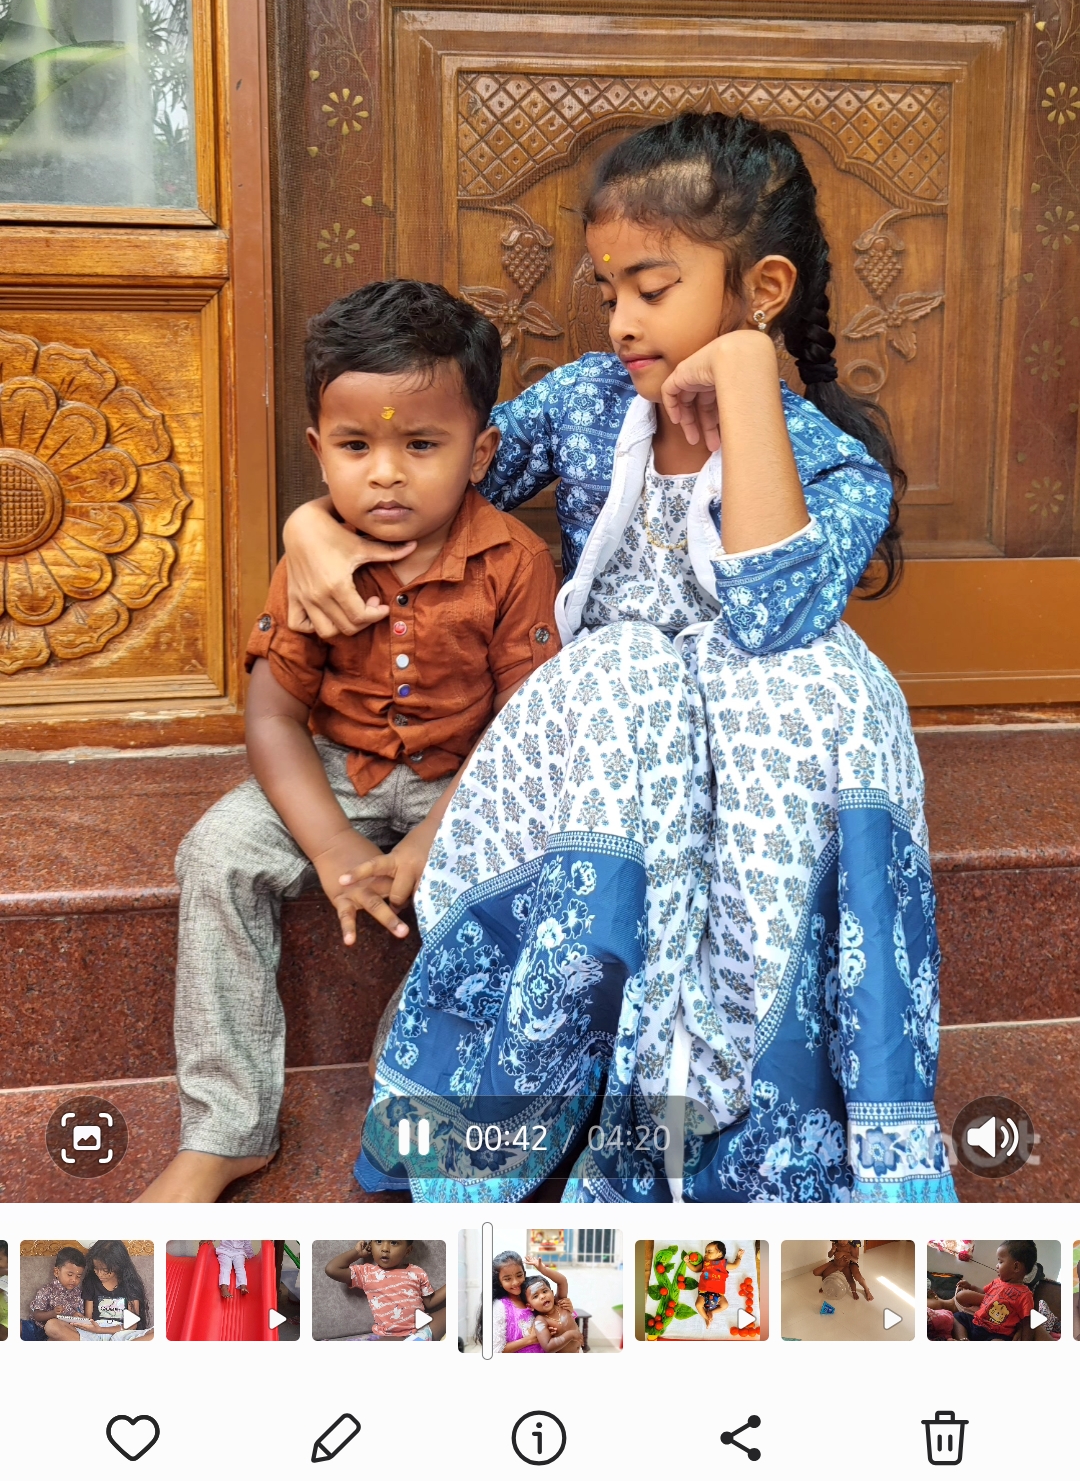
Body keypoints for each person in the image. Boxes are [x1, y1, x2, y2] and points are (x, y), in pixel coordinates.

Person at [283, 113, 955, 1206]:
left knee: (807, 687)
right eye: (608, 293)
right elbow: (427, 482)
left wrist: (747, 379)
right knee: (626, 670)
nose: (621, 322)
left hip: (761, 754)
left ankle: (733, 1126)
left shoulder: (837, 467)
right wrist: (309, 527)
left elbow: (772, 615)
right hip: (616, 738)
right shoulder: (588, 403)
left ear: (764, 288)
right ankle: (515, 1109)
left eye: (652, 288)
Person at [141, 281, 559, 1201]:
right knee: (216, 853)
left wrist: (427, 844)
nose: (386, 474)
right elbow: (272, 717)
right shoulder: (312, 557)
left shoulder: (513, 562)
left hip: (473, 779)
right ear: (318, 450)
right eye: (356, 446)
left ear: (480, 452)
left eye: (421, 445)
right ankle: (226, 1128)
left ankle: (404, 1085)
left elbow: (522, 737)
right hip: (335, 770)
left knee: (515, 875)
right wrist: (332, 846)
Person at [324, 1237, 445, 1341]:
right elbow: (332, 1269)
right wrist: (357, 1253)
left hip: (421, 1329)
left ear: (407, 1251)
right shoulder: (367, 1273)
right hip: (389, 1336)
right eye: (379, 1241)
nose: (385, 1248)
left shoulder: (417, 1272)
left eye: (394, 1242)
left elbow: (429, 1302)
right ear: (371, 1245)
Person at [950, 1242, 1043, 1341]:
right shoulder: (997, 1282)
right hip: (977, 1324)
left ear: (1016, 1267)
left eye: (1000, 1262)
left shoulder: (1025, 1295)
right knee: (957, 1317)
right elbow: (983, 1292)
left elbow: (1027, 1322)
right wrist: (970, 1286)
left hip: (997, 1334)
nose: (997, 1265)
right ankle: (963, 1339)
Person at [75, 1241, 152, 1340]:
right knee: (55, 1326)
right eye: (96, 1268)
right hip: (95, 1335)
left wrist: (101, 1330)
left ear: (118, 1265)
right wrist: (80, 1320)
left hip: (121, 1333)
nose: (99, 1274)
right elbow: (89, 1318)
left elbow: (132, 1325)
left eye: (105, 1270)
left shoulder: (130, 1285)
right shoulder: (91, 1282)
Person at [24, 1247, 87, 1340]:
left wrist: (77, 1317)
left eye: (78, 1276)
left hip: (60, 1331)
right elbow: (36, 1315)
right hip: (37, 1329)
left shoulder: (78, 1294)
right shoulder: (46, 1290)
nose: (74, 1279)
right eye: (70, 1275)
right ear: (56, 1272)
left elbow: (80, 1315)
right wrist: (52, 1313)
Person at [523, 1268, 583, 1352]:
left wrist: (543, 1269)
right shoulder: (541, 1320)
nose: (542, 1296)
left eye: (544, 1291)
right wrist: (570, 1335)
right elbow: (548, 1347)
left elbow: (562, 1281)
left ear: (552, 1292)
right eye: (535, 1296)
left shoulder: (560, 1303)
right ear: (530, 1306)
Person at [696, 1238, 743, 1325]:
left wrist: (738, 1257)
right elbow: (695, 1269)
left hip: (718, 1295)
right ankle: (706, 1318)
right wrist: (687, 1262)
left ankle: (712, 1312)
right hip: (704, 1292)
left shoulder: (723, 1264)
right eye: (705, 1251)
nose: (706, 1254)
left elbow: (735, 1265)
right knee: (698, 1305)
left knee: (725, 1305)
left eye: (709, 1251)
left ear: (719, 1254)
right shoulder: (705, 1263)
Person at [813, 1239, 872, 1304]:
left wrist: (847, 1255)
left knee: (850, 1280)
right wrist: (832, 1250)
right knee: (825, 1274)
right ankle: (824, 1286)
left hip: (845, 1267)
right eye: (840, 1240)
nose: (842, 1242)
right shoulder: (836, 1245)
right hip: (835, 1265)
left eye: (844, 1240)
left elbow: (856, 1259)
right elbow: (829, 1255)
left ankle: (855, 1292)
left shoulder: (850, 1247)